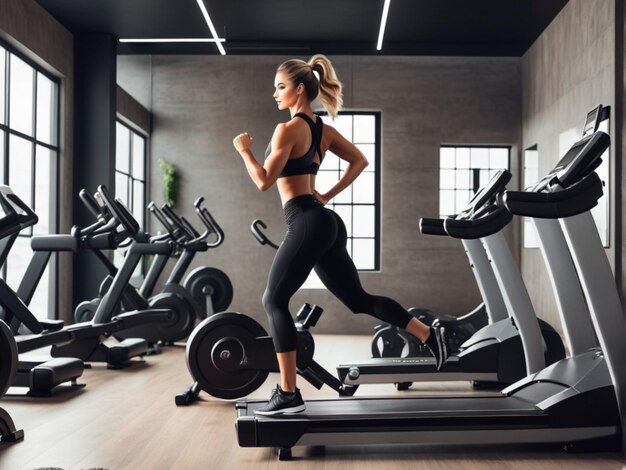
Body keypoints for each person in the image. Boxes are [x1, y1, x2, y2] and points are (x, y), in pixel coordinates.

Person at [232, 54, 447, 416]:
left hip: (304, 219)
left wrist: (245, 151)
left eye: (280, 87)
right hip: (325, 220)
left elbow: (264, 181)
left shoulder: (287, 130)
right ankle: (428, 334)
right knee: (358, 299)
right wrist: (328, 195)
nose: (275, 94)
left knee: (273, 301)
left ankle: (287, 393)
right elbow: (360, 160)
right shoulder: (322, 131)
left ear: (299, 89)